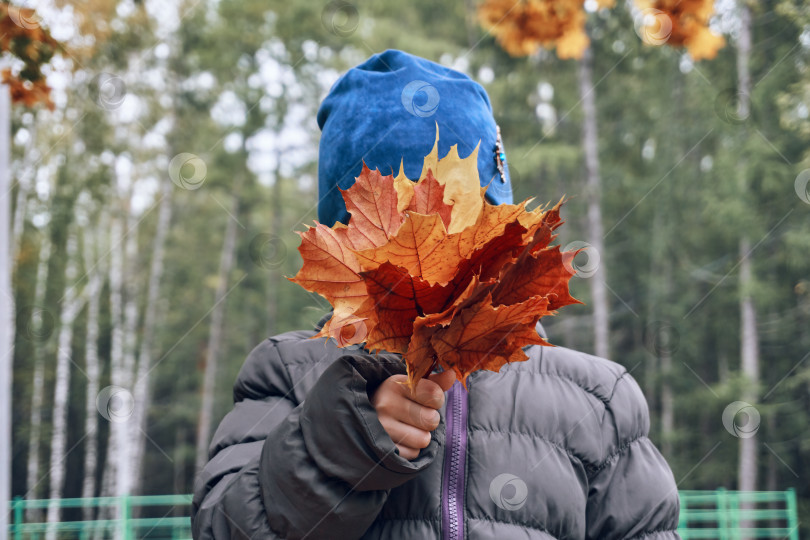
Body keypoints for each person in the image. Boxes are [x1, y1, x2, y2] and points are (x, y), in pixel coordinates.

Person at [191, 49, 681, 540]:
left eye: (462, 225)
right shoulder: (288, 374)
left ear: (505, 229)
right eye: (396, 230)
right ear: (340, 246)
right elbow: (223, 527)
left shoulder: (595, 399)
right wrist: (340, 446)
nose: (429, 266)